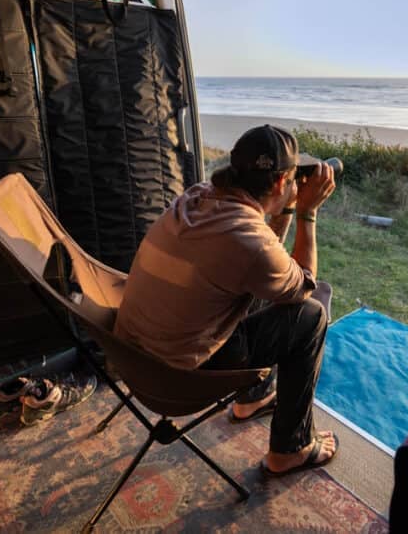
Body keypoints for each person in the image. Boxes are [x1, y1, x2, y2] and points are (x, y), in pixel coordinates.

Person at [114, 124, 338, 476]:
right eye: (294, 178)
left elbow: (261, 263)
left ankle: (253, 399)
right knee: (311, 315)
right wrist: (307, 213)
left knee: (248, 288)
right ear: (281, 183)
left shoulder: (198, 196)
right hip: (179, 378)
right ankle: (290, 449)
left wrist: (282, 211)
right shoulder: (248, 241)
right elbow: (302, 285)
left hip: (135, 359)